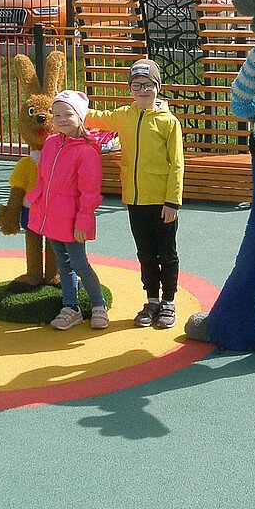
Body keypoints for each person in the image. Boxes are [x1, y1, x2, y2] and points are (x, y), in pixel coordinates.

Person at [83, 59, 184, 329]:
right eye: (137, 85)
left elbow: (177, 164)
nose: (142, 90)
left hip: (162, 202)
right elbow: (94, 116)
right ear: (130, 89)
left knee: (167, 253)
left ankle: (169, 301)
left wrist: (173, 201)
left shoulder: (168, 122)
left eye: (148, 85)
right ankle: (151, 300)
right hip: (135, 199)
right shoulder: (124, 115)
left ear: (157, 87)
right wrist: (67, 104)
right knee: (145, 253)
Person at [25, 90, 107, 330]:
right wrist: (34, 201)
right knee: (63, 263)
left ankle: (98, 305)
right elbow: (43, 180)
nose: (61, 119)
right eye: (56, 114)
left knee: (80, 264)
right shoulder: (50, 143)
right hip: (51, 217)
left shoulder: (86, 152)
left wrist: (83, 221)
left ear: (80, 117)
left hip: (72, 220)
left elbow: (89, 192)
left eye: (67, 114)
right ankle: (71, 307)